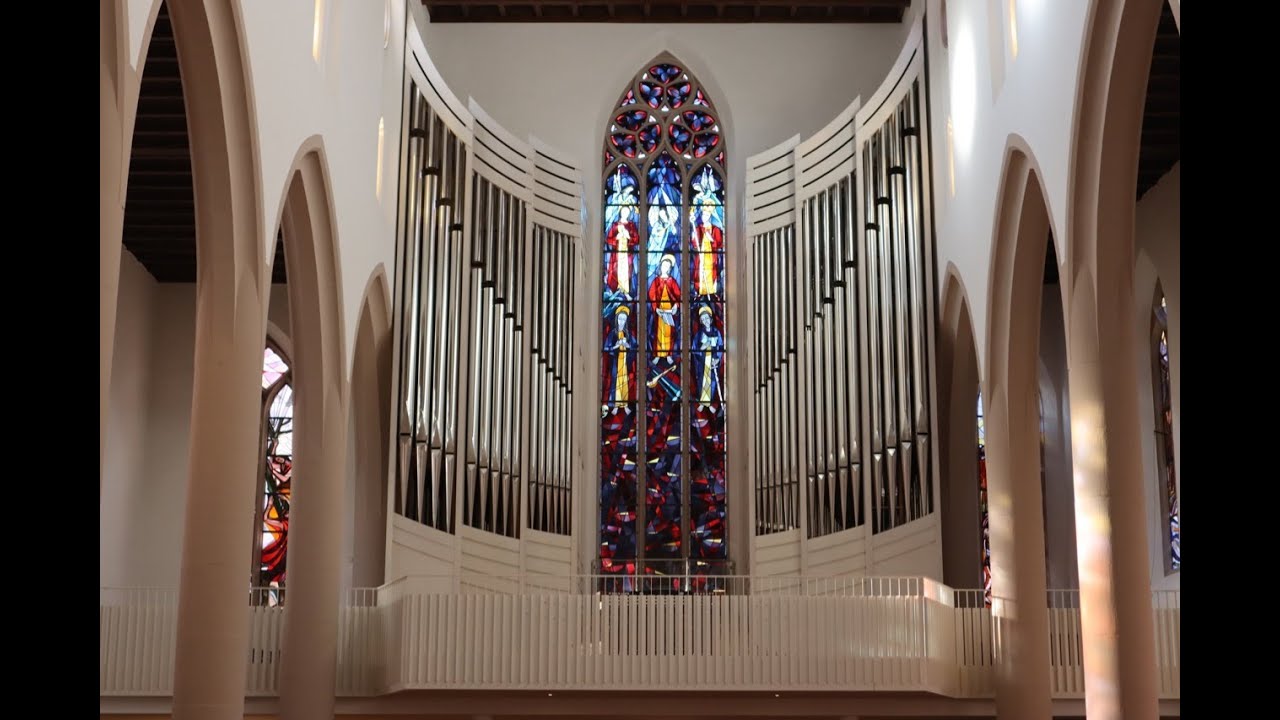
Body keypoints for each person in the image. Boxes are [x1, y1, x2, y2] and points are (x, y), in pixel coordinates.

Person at [602, 305, 636, 407]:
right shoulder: (613, 333)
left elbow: (634, 346)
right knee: (614, 381)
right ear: (616, 319)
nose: (621, 322)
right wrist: (616, 346)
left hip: (625, 363)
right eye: (620, 319)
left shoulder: (628, 335)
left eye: (624, 320)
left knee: (624, 381)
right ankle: (614, 404)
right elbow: (606, 347)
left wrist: (627, 345)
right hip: (615, 363)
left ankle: (624, 404)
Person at [647, 254, 680, 359]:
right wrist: (655, 308)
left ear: (670, 269)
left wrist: (676, 306)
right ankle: (657, 354)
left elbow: (678, 295)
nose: (664, 268)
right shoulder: (656, 280)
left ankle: (668, 354)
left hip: (669, 310)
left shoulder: (672, 281)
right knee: (658, 332)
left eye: (667, 266)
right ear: (660, 266)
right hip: (659, 310)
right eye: (663, 265)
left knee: (669, 333)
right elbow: (651, 294)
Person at [691, 304, 723, 405]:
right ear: (701, 321)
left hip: (713, 362)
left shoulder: (716, 332)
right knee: (702, 381)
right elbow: (694, 349)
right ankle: (703, 401)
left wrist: (717, 359)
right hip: (702, 363)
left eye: (707, 318)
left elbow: (721, 347)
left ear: (710, 319)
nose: (705, 320)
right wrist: (702, 348)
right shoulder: (699, 334)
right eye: (703, 319)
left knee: (713, 381)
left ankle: (710, 402)